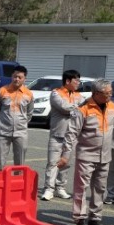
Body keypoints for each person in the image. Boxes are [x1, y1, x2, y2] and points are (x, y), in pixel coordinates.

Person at [67, 80, 114, 225]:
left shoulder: (112, 107)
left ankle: (95, 217)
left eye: (111, 92)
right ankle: (80, 218)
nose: (110, 95)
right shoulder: (83, 108)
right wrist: (65, 155)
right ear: (96, 93)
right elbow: (72, 133)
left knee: (100, 188)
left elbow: (113, 125)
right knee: (81, 188)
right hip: (86, 155)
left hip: (105, 156)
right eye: (107, 93)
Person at [42, 70, 86, 200]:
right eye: (76, 80)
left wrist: (76, 107)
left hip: (72, 136)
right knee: (53, 163)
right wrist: (77, 107)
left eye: (79, 80)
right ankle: (49, 189)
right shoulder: (56, 93)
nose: (78, 83)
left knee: (66, 164)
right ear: (67, 81)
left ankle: (60, 187)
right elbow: (64, 107)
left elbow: (84, 109)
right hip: (57, 134)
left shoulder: (78, 95)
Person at [0, 65, 33, 171]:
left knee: (20, 163)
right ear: (12, 76)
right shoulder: (2, 91)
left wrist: (22, 123)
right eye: (15, 76)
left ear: (24, 79)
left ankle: (18, 180)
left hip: (21, 132)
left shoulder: (29, 94)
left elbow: (29, 113)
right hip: (3, 131)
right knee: (0, 161)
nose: (17, 79)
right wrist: (1, 122)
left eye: (20, 77)